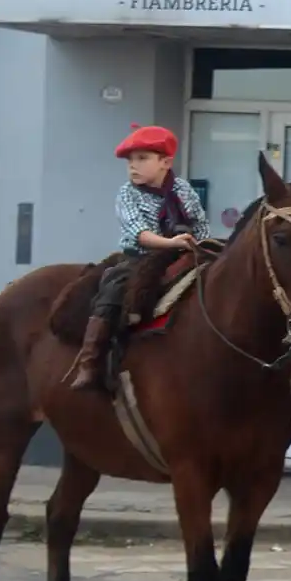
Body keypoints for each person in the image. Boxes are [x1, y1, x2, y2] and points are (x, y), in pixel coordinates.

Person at [68, 124, 210, 392]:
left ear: (165, 162)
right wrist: (170, 242)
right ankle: (90, 361)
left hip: (184, 254)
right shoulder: (127, 193)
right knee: (113, 289)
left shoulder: (183, 190)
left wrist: (198, 243)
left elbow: (200, 223)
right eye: (130, 161)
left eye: (142, 158)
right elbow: (140, 233)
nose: (133, 166)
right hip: (141, 257)